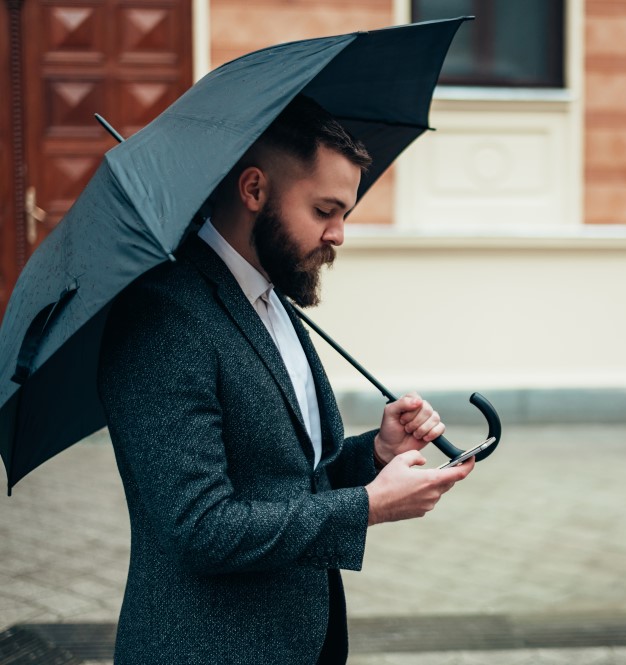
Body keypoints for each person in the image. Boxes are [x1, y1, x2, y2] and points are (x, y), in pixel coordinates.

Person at [97, 94, 474, 664]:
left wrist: (373, 453)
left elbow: (283, 476)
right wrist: (367, 506)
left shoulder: (272, 298)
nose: (339, 234)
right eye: (325, 211)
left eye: (345, 213)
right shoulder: (164, 316)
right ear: (254, 190)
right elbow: (200, 527)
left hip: (305, 640)